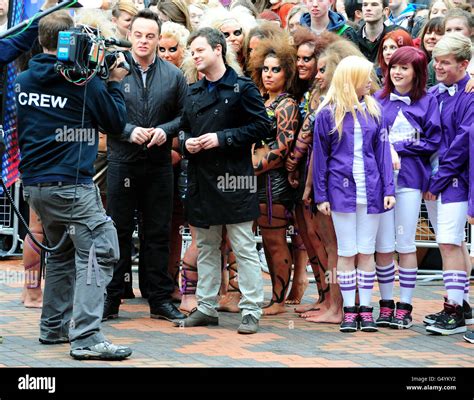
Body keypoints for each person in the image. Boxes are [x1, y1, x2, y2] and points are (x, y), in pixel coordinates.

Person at [15, 10, 131, 360]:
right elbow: (115, 122)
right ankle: (87, 336)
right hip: (71, 185)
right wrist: (112, 81)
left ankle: (53, 327)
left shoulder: (24, 78)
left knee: (64, 253)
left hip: (36, 187)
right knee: (100, 251)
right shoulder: (81, 80)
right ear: (73, 41)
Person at [176, 27, 270, 334]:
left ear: (218, 50)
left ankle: (251, 308)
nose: (195, 56)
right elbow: (184, 127)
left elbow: (261, 127)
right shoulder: (192, 91)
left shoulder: (243, 89)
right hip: (202, 180)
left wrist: (222, 138)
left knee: (243, 245)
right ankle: (205, 306)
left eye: (200, 50)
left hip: (236, 179)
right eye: (192, 52)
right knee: (205, 245)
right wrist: (186, 140)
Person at [103, 9, 188, 323]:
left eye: (150, 36)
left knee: (157, 233)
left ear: (158, 38)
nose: (143, 41)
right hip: (122, 162)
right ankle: (111, 299)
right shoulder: (112, 70)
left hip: (158, 164)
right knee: (117, 232)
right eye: (138, 34)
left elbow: (185, 116)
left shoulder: (174, 76)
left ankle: (159, 300)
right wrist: (127, 131)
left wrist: (166, 130)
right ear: (130, 35)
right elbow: (101, 113)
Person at [313, 55, 396, 333]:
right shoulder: (327, 114)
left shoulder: (375, 110)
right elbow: (321, 159)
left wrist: (388, 190)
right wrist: (321, 196)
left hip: (371, 190)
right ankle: (350, 310)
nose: (371, 82)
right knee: (347, 251)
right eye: (366, 78)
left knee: (366, 251)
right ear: (353, 81)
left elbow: (383, 154)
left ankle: (366, 310)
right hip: (341, 192)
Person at [374, 46, 441, 329]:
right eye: (394, 67)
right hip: (381, 183)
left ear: (417, 72)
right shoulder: (377, 100)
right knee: (384, 245)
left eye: (405, 67)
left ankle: (406, 305)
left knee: (405, 243)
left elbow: (434, 141)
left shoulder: (427, 102)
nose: (398, 72)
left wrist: (399, 146)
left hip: (411, 181)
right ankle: (386, 303)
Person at [424, 33, 474, 336]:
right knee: (452, 242)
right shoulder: (434, 93)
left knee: (449, 242)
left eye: (445, 63)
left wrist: (439, 179)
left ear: (464, 64)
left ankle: (453, 309)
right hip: (433, 181)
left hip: (454, 180)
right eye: (436, 61)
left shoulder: (470, 95)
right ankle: (462, 305)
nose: (438, 67)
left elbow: (461, 143)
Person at [248, 38, 300, 315]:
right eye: (266, 69)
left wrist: (252, 168)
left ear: (286, 73)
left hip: (273, 183)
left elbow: (282, 148)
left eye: (276, 69)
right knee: (261, 241)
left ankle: (278, 300)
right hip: (254, 181)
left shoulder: (286, 104)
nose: (269, 74)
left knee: (275, 240)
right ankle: (272, 297)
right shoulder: (260, 98)